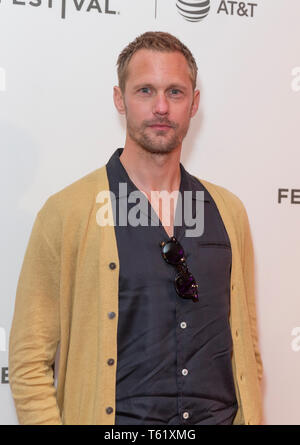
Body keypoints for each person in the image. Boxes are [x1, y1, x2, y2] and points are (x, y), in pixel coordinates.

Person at [9, 31, 263, 425]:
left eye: (175, 92)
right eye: (145, 90)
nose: (161, 107)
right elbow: (28, 361)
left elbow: (247, 347)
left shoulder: (229, 212)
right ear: (119, 99)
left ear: (194, 103)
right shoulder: (67, 213)